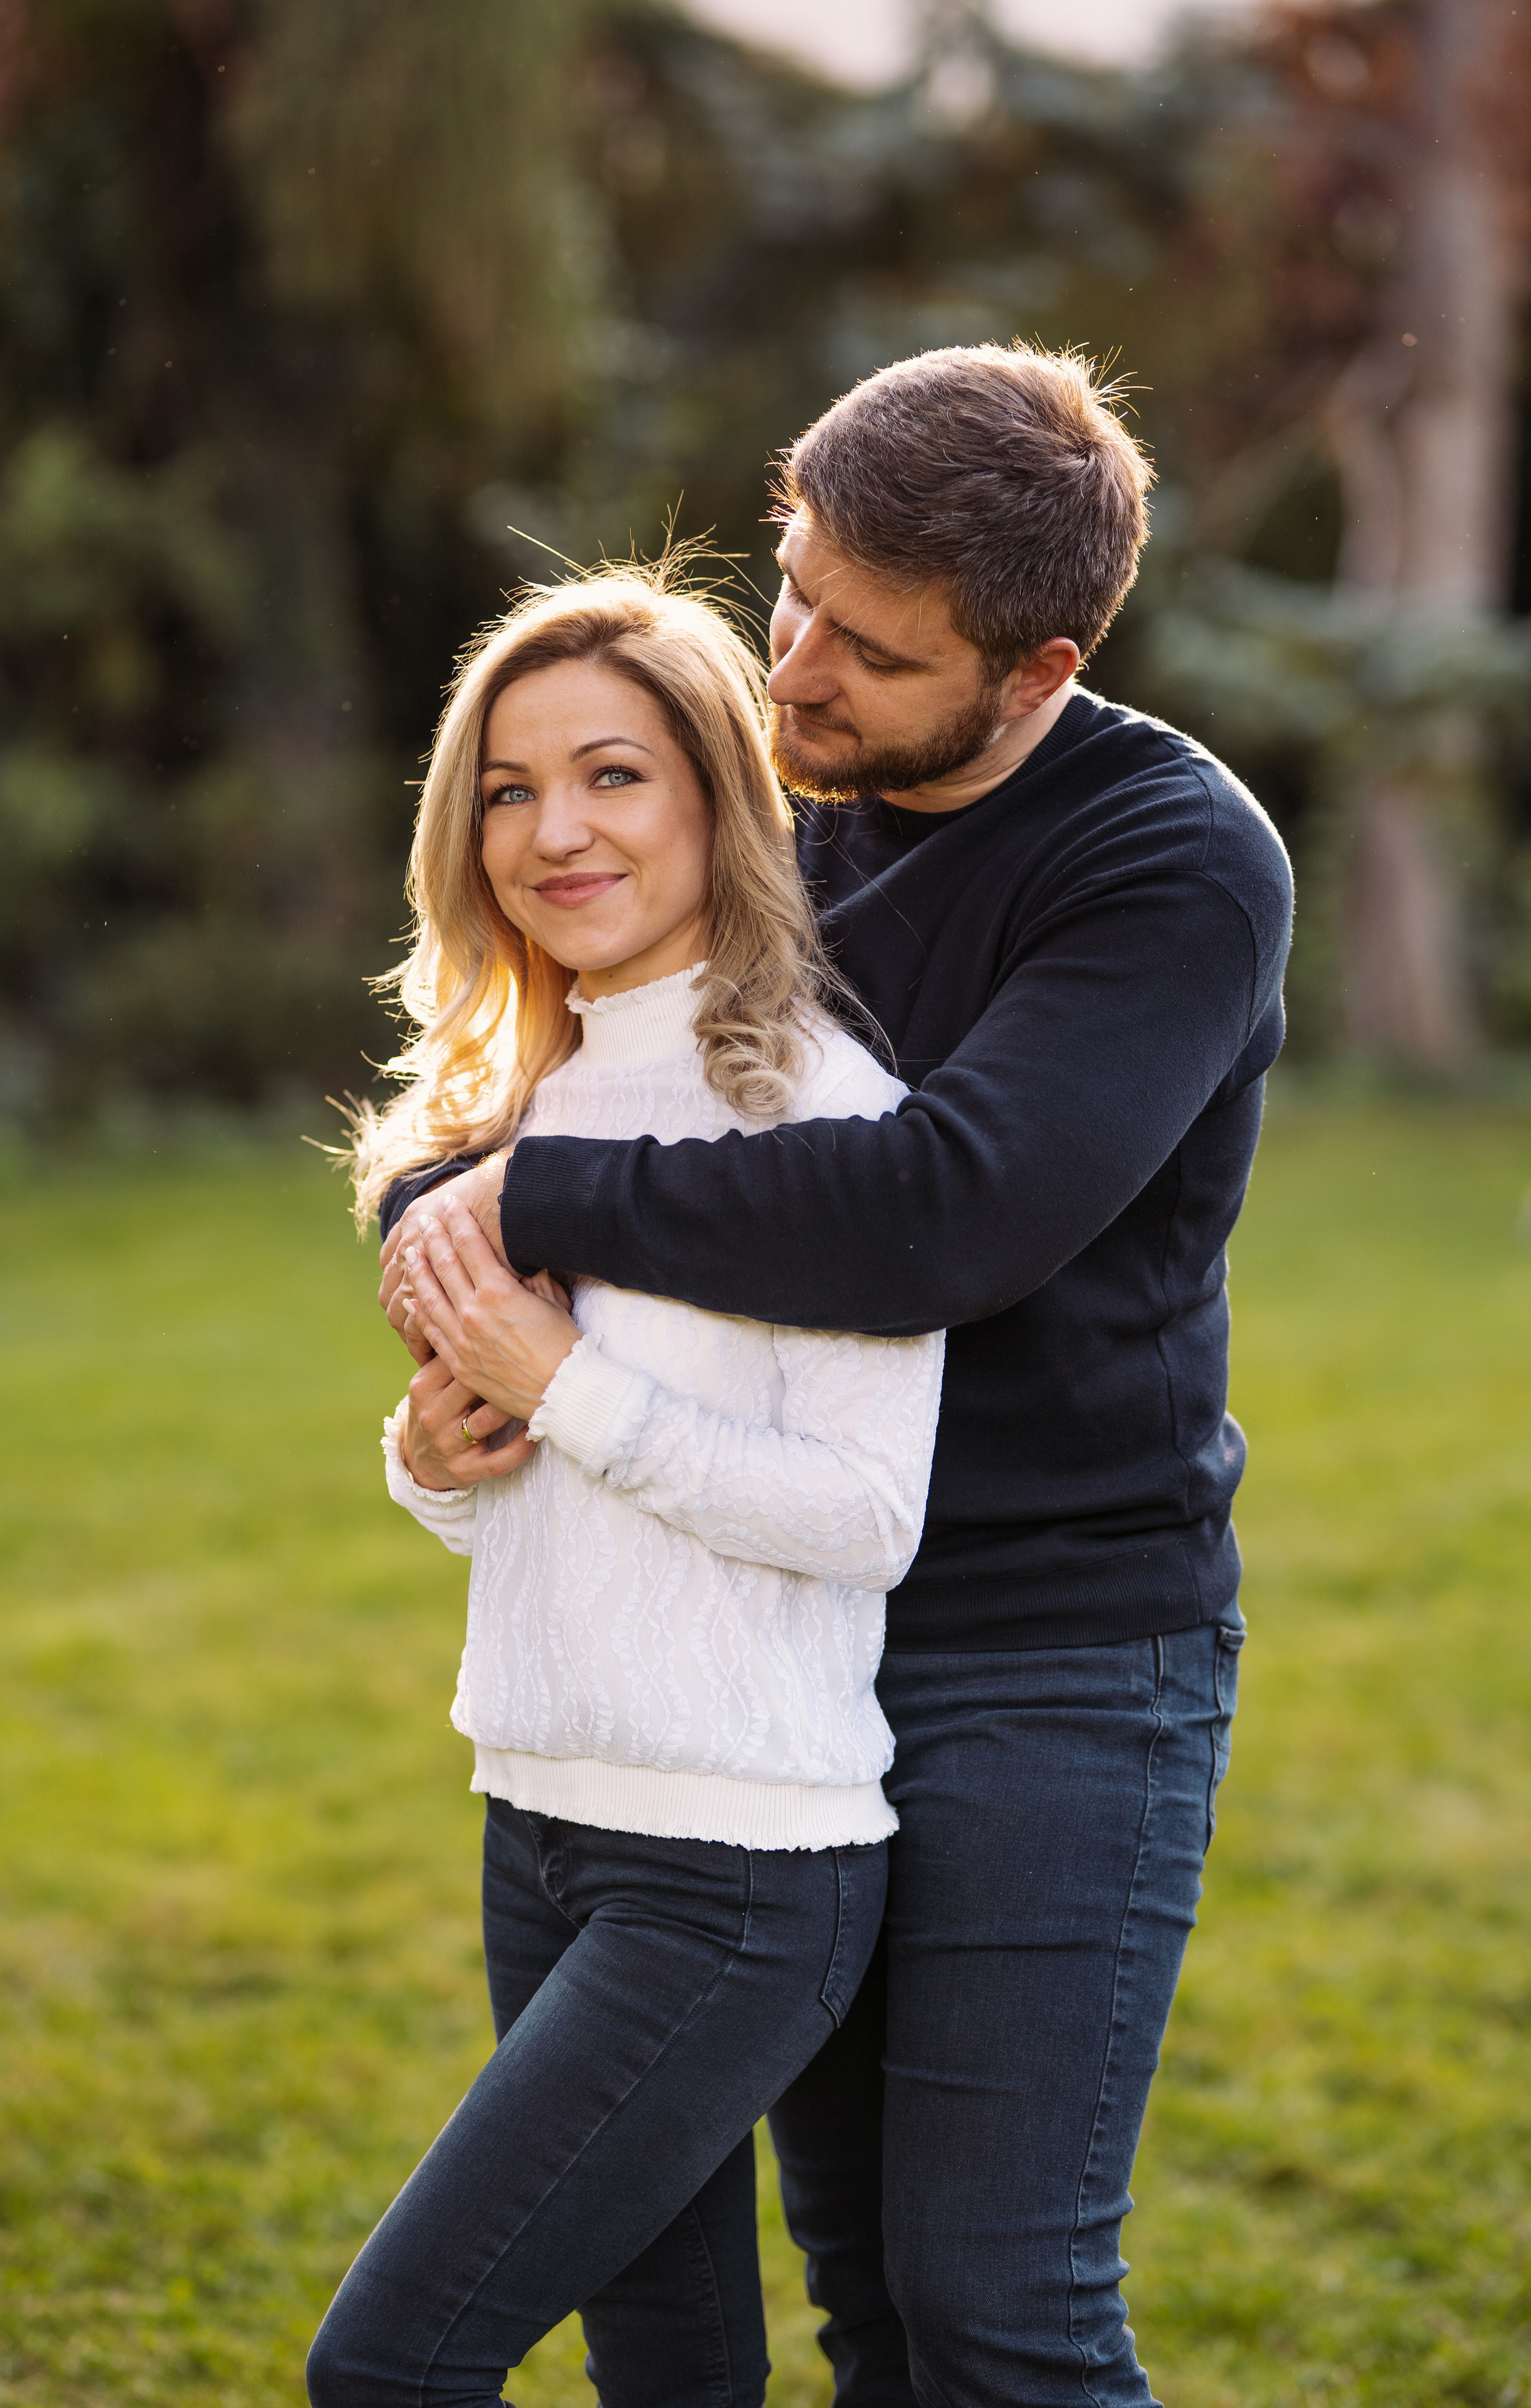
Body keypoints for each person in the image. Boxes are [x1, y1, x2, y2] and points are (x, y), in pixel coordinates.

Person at [378, 343, 1295, 2407]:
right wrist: (454, 1245)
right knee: (870, 2296)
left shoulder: (1169, 863)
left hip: (1053, 1652)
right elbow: (537, 1067)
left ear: (1036, 667)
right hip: (782, 1647)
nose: (790, 674)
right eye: (791, 592)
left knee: (1001, 2305)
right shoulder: (808, 819)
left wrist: (541, 1209)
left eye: (867, 652)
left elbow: (939, 1214)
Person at [307, 572, 945, 2408]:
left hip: (737, 1866)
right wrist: (435, 1458)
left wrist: (562, 1387)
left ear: (715, 801)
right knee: (672, 2376)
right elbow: (539, 1485)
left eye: (612, 776)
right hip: (540, 1821)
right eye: (508, 788)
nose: (553, 831)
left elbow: (859, 1518)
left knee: (395, 2363)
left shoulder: (818, 1113)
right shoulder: (536, 1108)